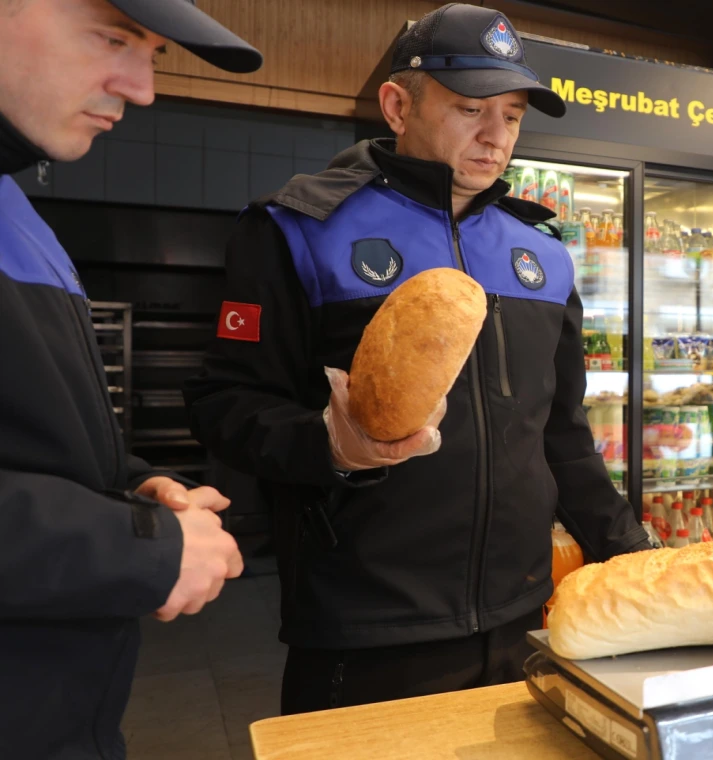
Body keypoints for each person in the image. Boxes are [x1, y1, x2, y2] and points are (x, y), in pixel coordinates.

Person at [184, 3, 650, 715]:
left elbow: (560, 433)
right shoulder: (299, 229)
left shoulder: (544, 256)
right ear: (399, 104)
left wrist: (633, 554)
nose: (497, 138)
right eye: (471, 109)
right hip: (369, 624)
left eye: (514, 116)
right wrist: (333, 445)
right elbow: (227, 406)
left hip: (528, 612)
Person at [0, 0, 260, 756]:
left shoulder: (16, 206)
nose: (142, 88)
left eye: (153, 53)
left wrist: (130, 486)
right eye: (111, 39)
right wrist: (140, 546)